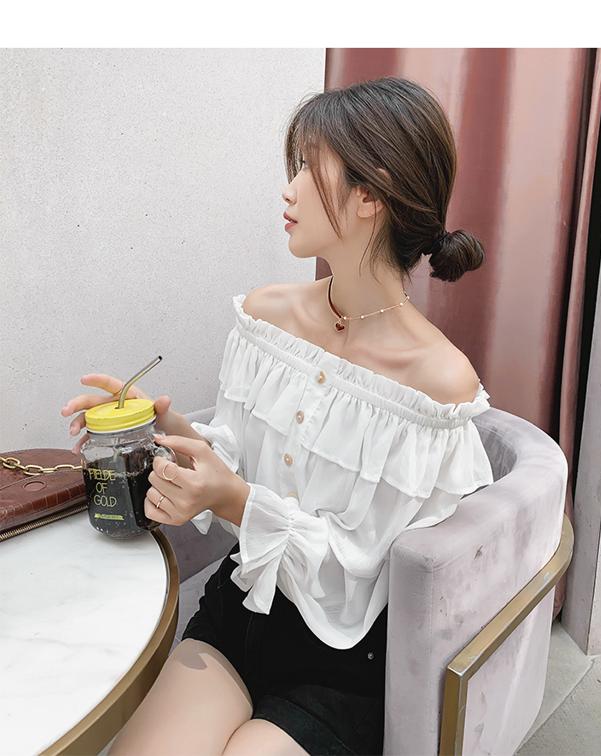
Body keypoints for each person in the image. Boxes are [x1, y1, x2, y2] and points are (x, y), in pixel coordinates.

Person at [96, 75, 493, 755]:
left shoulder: (435, 386)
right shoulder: (266, 318)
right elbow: (236, 462)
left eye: (310, 168)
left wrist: (234, 498)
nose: (289, 189)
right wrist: (154, 429)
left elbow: (361, 572)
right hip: (241, 609)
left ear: (370, 193)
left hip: (342, 663)